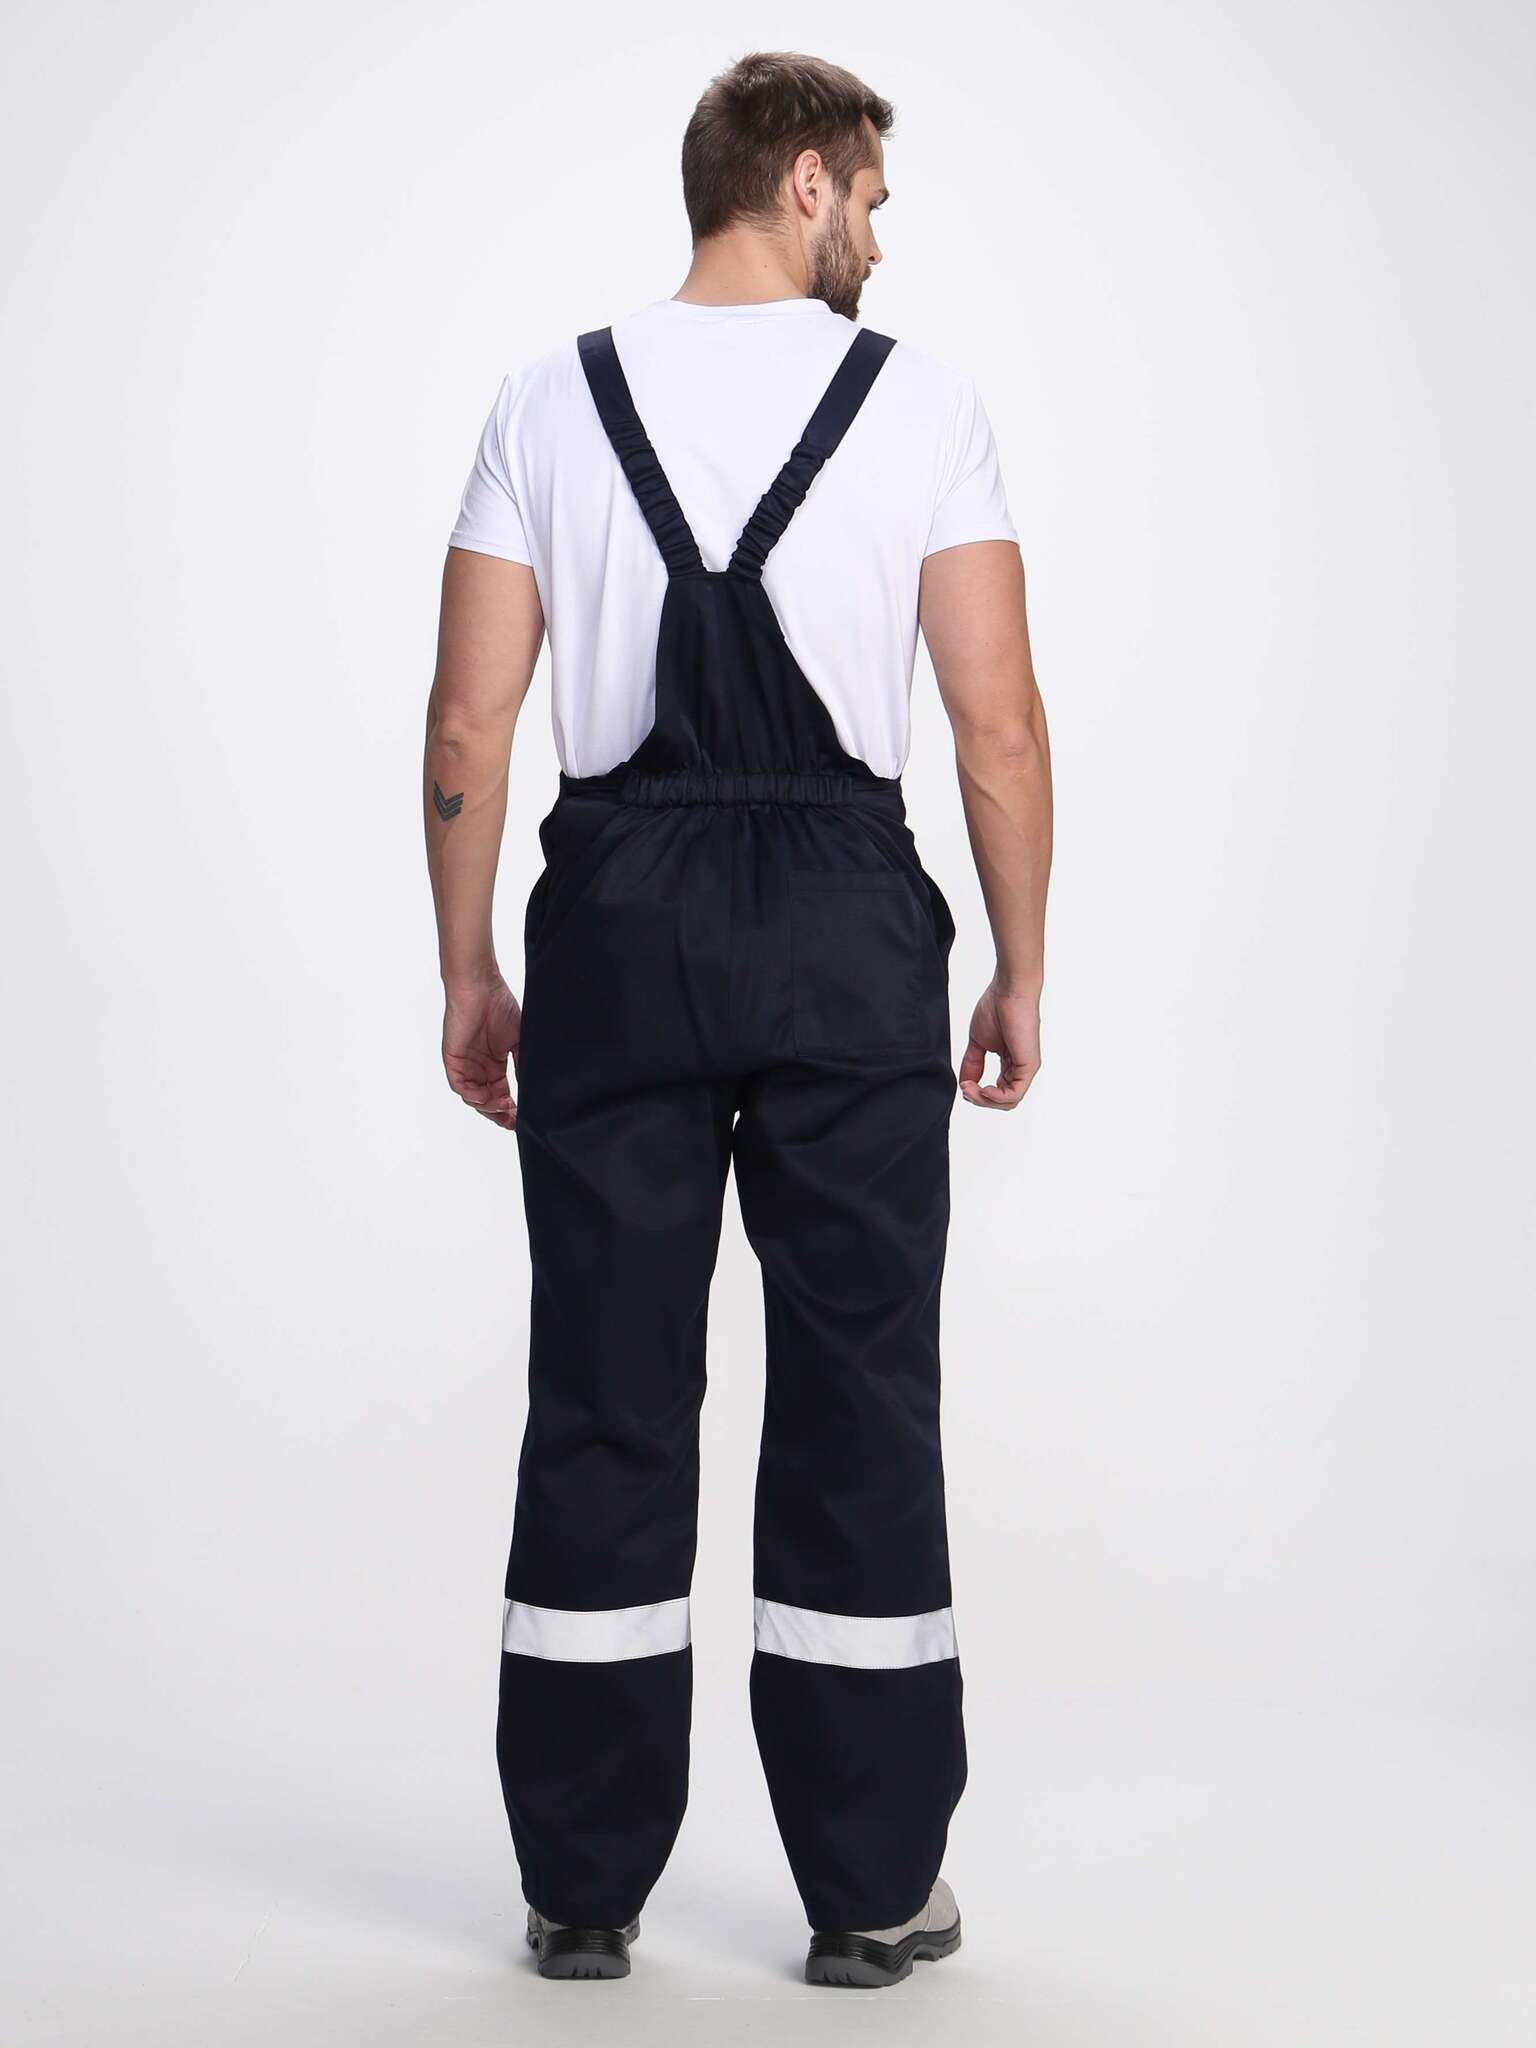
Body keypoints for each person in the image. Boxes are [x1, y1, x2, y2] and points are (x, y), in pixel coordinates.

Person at [423, 49, 1052, 1990]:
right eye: (870, 197)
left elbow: (469, 719)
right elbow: (996, 723)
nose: (878, 236)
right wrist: (1020, 962)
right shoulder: (923, 405)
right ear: (800, 181)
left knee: (606, 1392)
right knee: (860, 1396)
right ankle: (869, 1890)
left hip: (617, 927)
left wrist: (469, 965)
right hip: (846, 935)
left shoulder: (548, 399)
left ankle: (581, 1887)